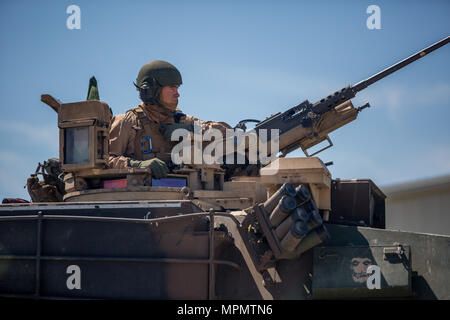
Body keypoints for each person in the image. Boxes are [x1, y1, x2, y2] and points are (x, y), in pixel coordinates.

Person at [108, 60, 231, 179]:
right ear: (151, 91)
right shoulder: (128, 122)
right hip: (141, 195)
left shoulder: (182, 120)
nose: (177, 94)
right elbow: (107, 161)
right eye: (172, 88)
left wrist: (189, 129)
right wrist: (136, 165)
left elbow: (226, 131)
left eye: (177, 88)